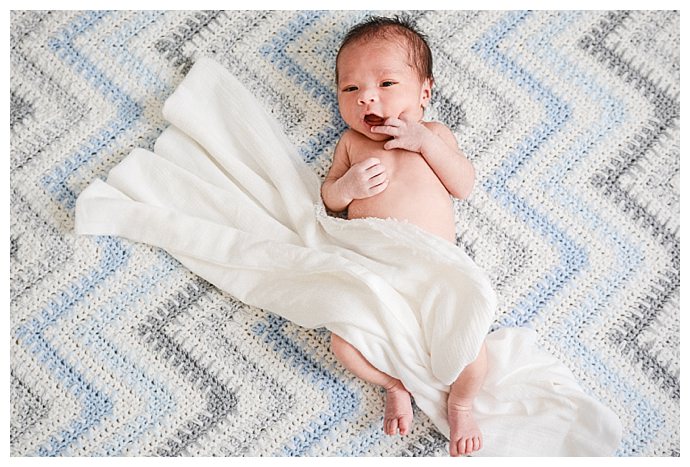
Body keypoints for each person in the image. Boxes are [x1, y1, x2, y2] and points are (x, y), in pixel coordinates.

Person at [321, 16, 488, 457]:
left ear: (425, 93)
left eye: (386, 83)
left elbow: (463, 184)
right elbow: (330, 198)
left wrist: (424, 144)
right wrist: (349, 187)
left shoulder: (434, 135)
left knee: (472, 347)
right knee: (344, 342)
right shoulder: (350, 145)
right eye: (350, 89)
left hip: (434, 269)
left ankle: (463, 402)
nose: (367, 98)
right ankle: (394, 383)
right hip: (377, 270)